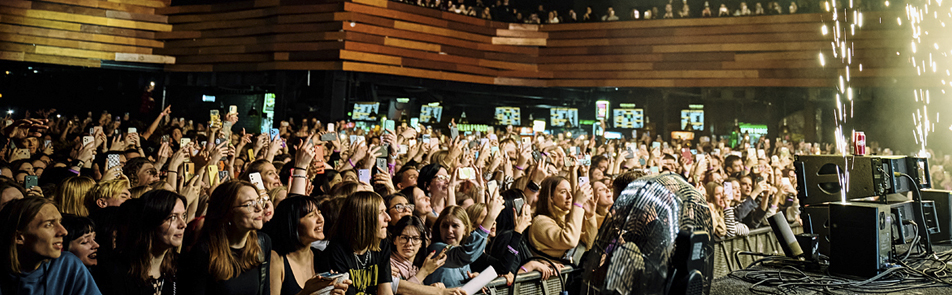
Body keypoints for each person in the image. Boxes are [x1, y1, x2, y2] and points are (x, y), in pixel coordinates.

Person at [179, 180, 273, 295]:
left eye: (258, 201)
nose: (259, 208)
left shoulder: (262, 243)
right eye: (249, 204)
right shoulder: (204, 252)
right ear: (228, 212)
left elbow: (265, 291)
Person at [0, 197, 101, 295]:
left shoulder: (67, 266)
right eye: (49, 225)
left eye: (60, 222)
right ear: (18, 237)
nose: (63, 231)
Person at [96, 190, 187, 295]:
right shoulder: (114, 273)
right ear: (151, 222)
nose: (183, 224)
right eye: (173, 217)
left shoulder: (180, 268)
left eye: (183, 216)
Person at [267, 195, 351, 295]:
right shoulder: (276, 259)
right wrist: (305, 293)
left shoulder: (319, 255)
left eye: (319, 213)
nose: (320, 219)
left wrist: (332, 290)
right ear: (293, 223)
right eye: (311, 215)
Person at [424, 193, 503, 288]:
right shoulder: (436, 250)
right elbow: (465, 254)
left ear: (465, 229)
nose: (449, 231)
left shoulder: (462, 249)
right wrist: (490, 217)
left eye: (455, 226)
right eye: (445, 226)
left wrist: (473, 281)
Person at [325, 191, 394, 295]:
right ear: (363, 219)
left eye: (386, 211)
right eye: (380, 212)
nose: (388, 218)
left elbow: (385, 291)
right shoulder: (336, 251)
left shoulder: (382, 244)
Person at [526, 176, 597, 260]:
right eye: (563, 192)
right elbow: (570, 241)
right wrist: (578, 204)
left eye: (570, 191)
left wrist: (590, 215)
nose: (570, 196)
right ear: (551, 197)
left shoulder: (561, 220)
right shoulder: (540, 222)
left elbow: (589, 243)